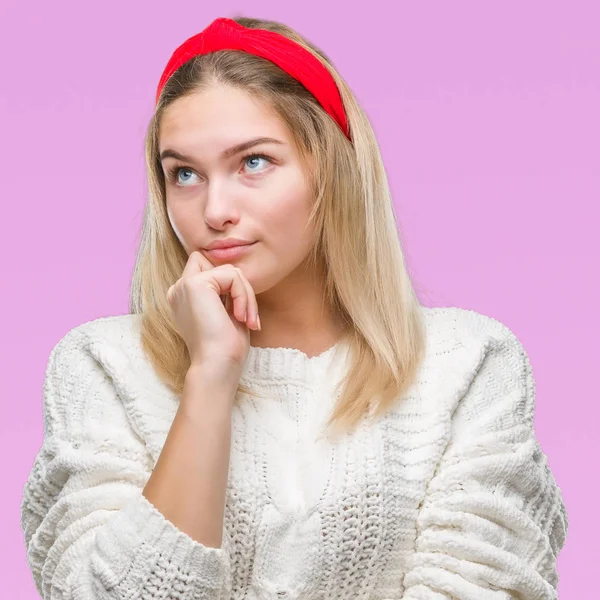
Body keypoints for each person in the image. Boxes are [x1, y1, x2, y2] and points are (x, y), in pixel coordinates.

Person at [20, 14, 569, 600]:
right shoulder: (103, 366)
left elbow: (483, 587)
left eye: (253, 162)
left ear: (330, 168)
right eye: (184, 174)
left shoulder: (467, 365)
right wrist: (210, 379)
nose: (214, 210)